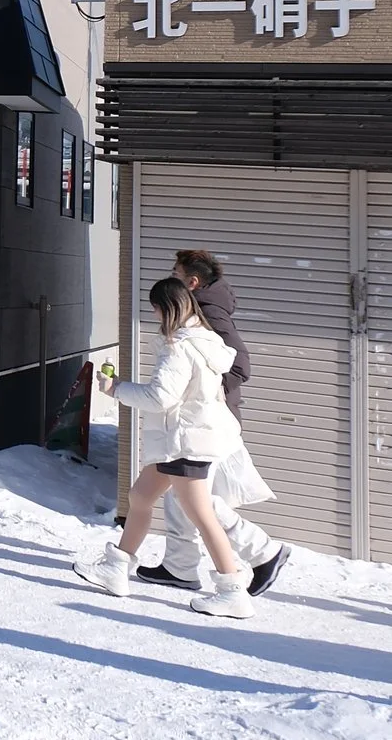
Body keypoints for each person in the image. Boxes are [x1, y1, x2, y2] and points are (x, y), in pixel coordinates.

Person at [74, 277, 257, 619]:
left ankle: (232, 592)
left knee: (202, 516)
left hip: (184, 443)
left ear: (165, 308)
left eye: (155, 307)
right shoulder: (206, 340)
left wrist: (116, 389)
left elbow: (161, 397)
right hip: (187, 441)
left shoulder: (178, 346)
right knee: (141, 496)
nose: (154, 314)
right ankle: (116, 569)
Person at [137, 248, 290, 597]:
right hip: (192, 423)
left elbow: (239, 367)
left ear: (191, 282)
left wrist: (200, 392)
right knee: (183, 496)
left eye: (175, 273)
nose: (170, 278)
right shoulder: (199, 308)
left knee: (197, 500)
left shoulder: (207, 313)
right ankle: (180, 566)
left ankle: (263, 552)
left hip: (202, 423)